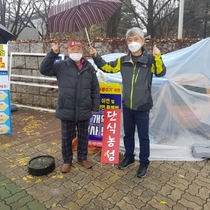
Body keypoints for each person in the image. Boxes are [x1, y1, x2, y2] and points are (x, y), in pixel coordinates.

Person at [89, 27, 166, 178]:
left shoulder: (150, 59)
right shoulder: (123, 60)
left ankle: (144, 162)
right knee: (128, 134)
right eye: (130, 40)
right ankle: (129, 157)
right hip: (127, 105)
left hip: (143, 105)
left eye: (136, 39)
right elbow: (107, 68)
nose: (133, 43)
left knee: (144, 137)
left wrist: (158, 57)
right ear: (126, 43)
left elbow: (160, 72)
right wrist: (96, 56)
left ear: (143, 41)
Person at [40, 41, 100, 173]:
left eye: (79, 48)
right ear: (67, 51)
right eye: (72, 48)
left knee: (84, 136)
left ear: (83, 51)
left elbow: (95, 89)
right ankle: (67, 160)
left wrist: (95, 106)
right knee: (67, 137)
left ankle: (82, 158)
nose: (75, 50)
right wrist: (52, 53)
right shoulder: (61, 65)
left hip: (84, 108)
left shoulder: (89, 67)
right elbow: (43, 70)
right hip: (66, 108)